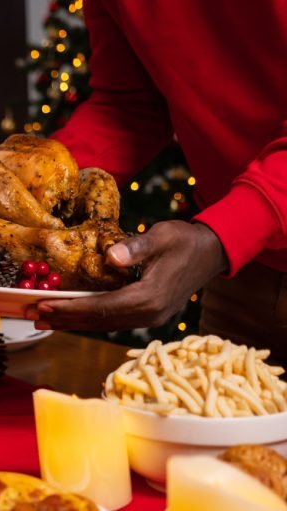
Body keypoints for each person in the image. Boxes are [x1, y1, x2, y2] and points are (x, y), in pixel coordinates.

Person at [23, 0, 287, 363]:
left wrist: (220, 236)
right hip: (244, 275)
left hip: (230, 243)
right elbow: (128, 106)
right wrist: (25, 183)